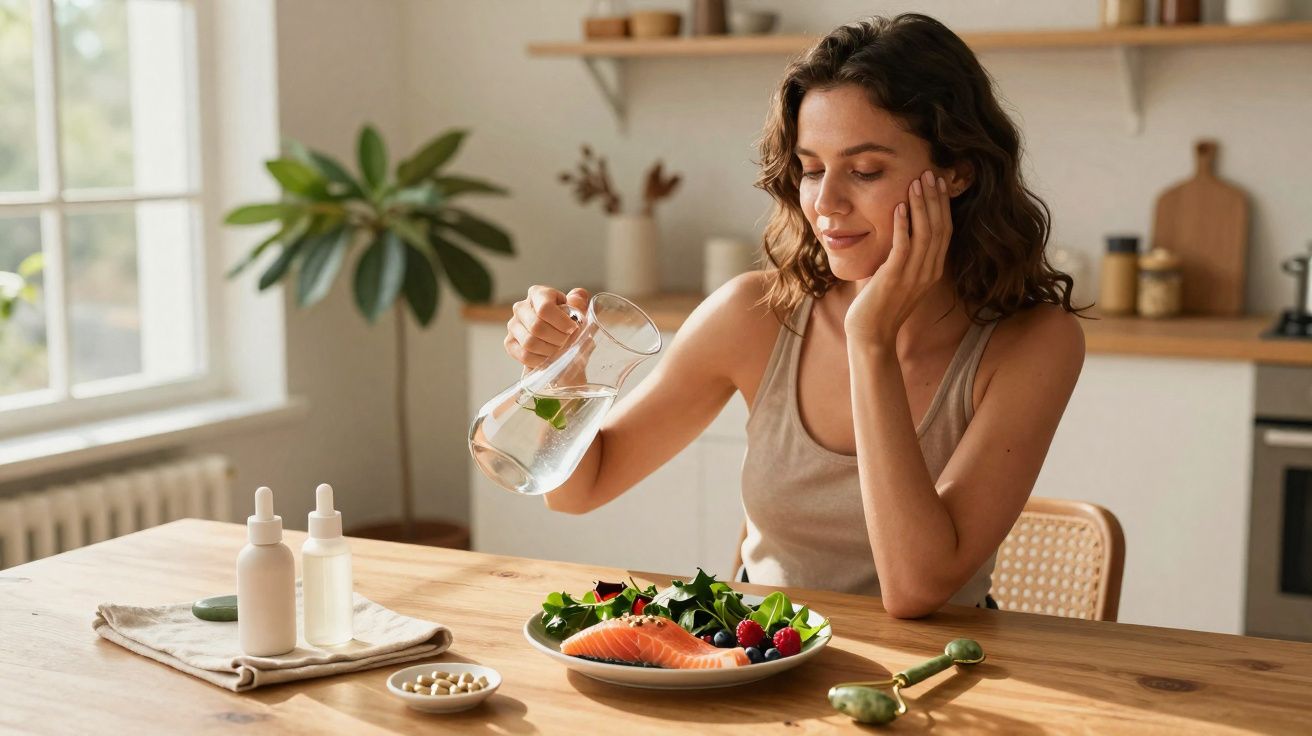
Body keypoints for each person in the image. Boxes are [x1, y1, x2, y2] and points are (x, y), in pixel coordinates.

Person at [501, 14, 1085, 618]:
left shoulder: (1034, 342)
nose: (827, 204)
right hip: (760, 661)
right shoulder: (753, 315)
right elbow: (578, 490)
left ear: (957, 173)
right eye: (811, 169)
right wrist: (559, 382)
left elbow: (916, 589)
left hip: (938, 674)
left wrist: (871, 340)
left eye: (864, 171)